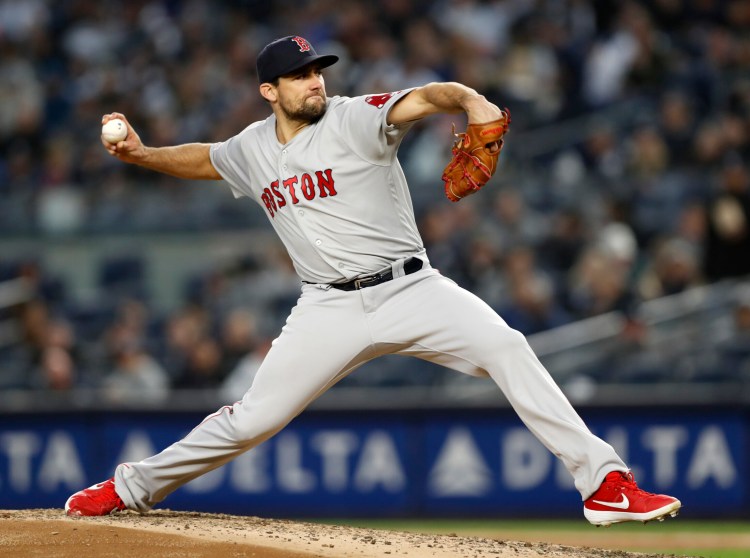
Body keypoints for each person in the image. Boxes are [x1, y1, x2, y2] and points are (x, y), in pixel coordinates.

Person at [64, 35, 680, 527]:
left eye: (318, 70)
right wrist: (144, 156)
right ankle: (131, 488)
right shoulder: (251, 148)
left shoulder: (356, 118)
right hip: (325, 309)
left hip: (411, 290)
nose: (315, 81)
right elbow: (205, 157)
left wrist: (471, 102)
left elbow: (426, 97)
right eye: (301, 75)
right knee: (252, 419)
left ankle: (604, 484)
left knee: (506, 347)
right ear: (268, 90)